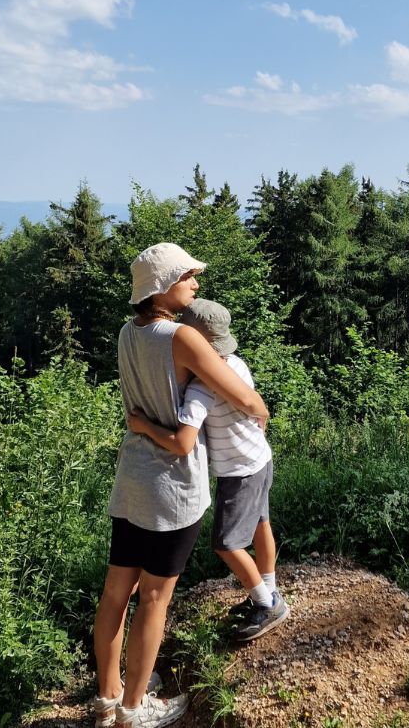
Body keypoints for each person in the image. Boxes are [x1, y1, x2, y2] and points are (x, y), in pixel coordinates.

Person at [93, 244, 269, 728]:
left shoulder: (128, 333)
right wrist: (262, 411)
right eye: (188, 277)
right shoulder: (184, 338)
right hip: (172, 488)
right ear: (163, 286)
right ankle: (134, 709)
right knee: (154, 597)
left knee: (116, 593)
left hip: (132, 479)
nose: (195, 285)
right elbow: (242, 396)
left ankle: (107, 700)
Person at [128, 299, 288, 642]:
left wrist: (143, 426)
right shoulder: (236, 364)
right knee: (262, 523)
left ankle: (267, 602)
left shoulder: (201, 388)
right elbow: (254, 404)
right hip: (260, 459)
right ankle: (267, 590)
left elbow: (183, 443)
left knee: (226, 543)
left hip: (239, 471)